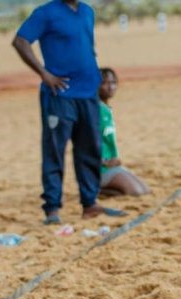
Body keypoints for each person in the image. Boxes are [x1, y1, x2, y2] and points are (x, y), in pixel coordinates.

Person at [12, 0, 125, 225]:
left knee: (89, 148)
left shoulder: (87, 11)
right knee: (55, 151)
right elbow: (20, 41)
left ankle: (90, 203)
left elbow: (86, 46)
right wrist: (44, 74)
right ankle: (52, 209)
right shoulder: (46, 13)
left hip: (88, 94)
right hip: (60, 94)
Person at [97, 68, 150, 197]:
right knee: (136, 193)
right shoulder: (95, 110)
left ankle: (100, 190)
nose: (111, 87)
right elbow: (84, 142)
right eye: (105, 83)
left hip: (112, 166)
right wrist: (103, 162)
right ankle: (94, 189)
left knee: (146, 191)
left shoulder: (106, 109)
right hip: (100, 168)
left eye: (113, 83)